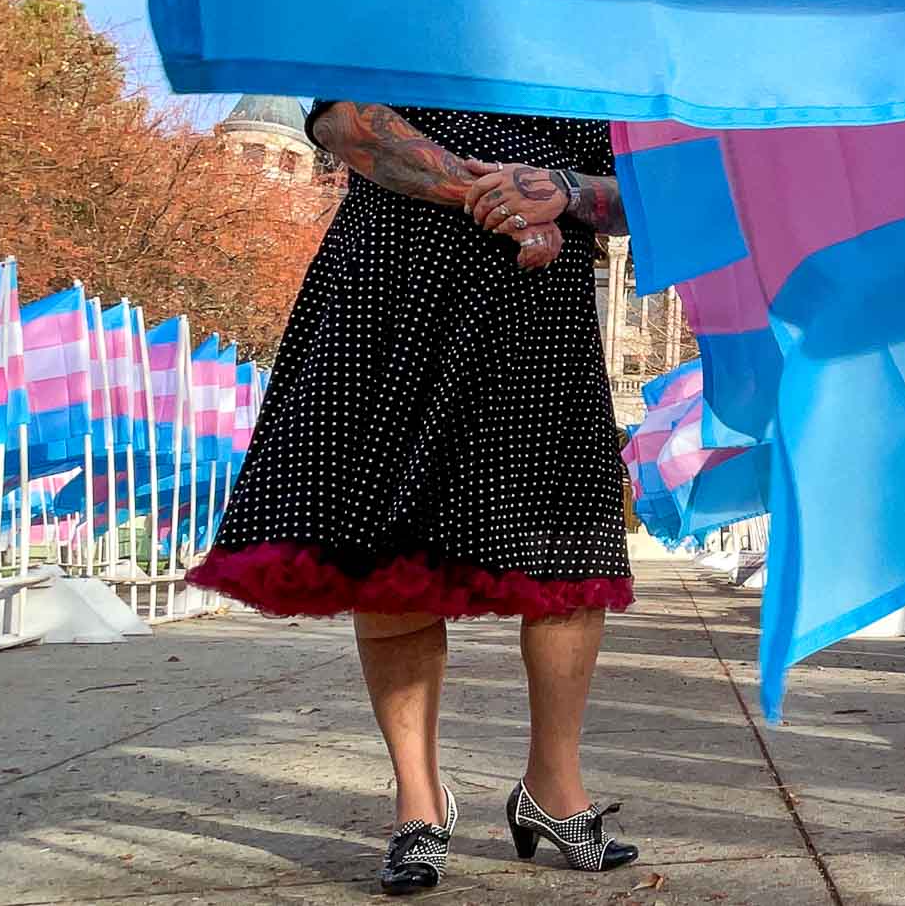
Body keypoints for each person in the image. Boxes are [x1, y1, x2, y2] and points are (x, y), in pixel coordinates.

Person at [189, 101, 641, 894]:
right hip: (394, 285)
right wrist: (501, 200)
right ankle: (418, 803)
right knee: (389, 544)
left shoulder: (601, 29)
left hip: (539, 301)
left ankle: (553, 788)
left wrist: (563, 192)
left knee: (569, 543)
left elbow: (659, 189)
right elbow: (345, 126)